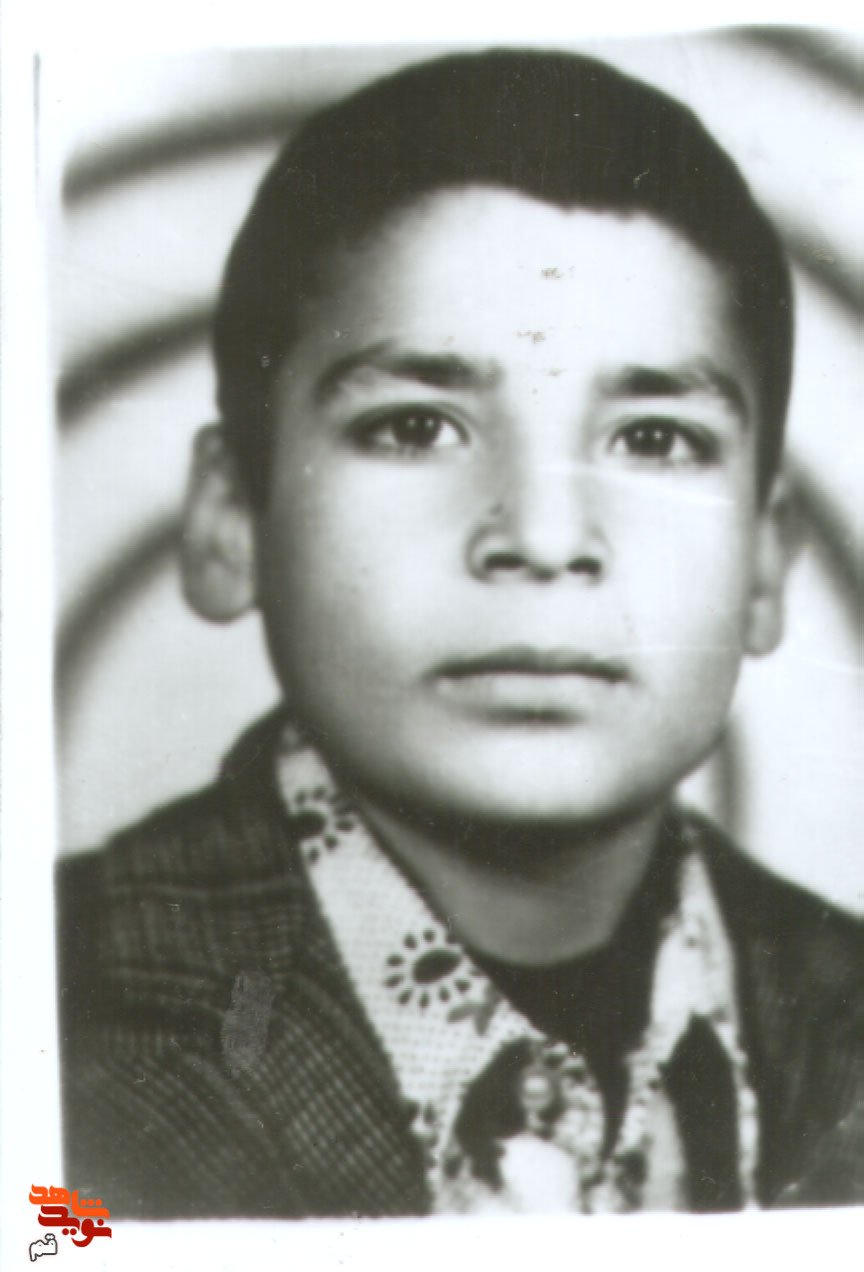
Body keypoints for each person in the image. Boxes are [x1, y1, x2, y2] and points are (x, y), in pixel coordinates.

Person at [57, 47, 863, 1218]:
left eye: (654, 440)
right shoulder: (49, 1030)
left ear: (767, 561)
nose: (543, 537)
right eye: (416, 426)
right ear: (232, 519)